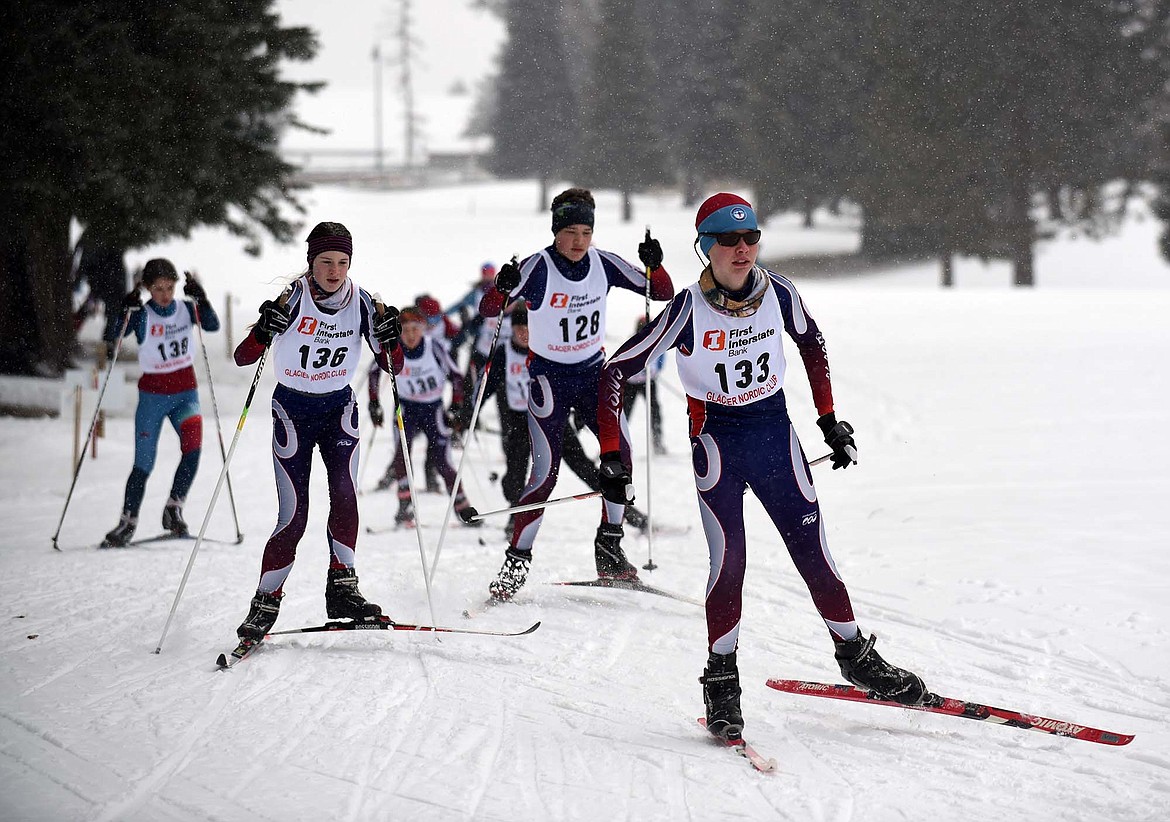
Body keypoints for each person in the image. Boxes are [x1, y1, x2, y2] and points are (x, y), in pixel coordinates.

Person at [597, 193, 927, 741]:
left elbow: (811, 341)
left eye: (751, 238)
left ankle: (855, 656)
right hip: (718, 446)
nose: (742, 249)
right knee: (730, 565)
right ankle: (721, 682)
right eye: (728, 241)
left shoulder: (779, 291)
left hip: (776, 436)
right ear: (705, 248)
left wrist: (828, 420)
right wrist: (612, 452)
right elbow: (614, 372)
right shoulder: (685, 309)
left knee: (814, 553)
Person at [479, 187, 674, 601]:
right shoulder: (537, 267)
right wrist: (502, 286)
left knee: (619, 457)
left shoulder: (603, 263)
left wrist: (654, 265)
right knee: (544, 474)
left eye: (586, 231)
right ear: (555, 232)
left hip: (593, 376)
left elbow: (661, 292)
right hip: (549, 379)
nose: (578, 241)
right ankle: (516, 562)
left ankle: (609, 548)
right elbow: (489, 310)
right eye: (570, 232)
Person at [230, 221, 403, 646]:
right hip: (293, 410)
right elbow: (242, 357)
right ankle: (266, 601)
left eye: (342, 262)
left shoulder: (363, 302)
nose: (334, 270)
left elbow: (394, 367)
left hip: (339, 408)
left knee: (345, 494)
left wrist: (392, 339)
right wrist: (262, 328)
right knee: (295, 513)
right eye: (326, 261)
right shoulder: (293, 299)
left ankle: (342, 587)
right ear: (311, 262)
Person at [468, 304, 652, 536]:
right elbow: (486, 386)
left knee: (582, 465)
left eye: (528, 327)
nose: (524, 333)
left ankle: (623, 508)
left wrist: (578, 413)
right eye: (519, 328)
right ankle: (516, 516)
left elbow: (566, 386)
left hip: (553, 420)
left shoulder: (546, 350)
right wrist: (468, 413)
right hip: (519, 421)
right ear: (512, 329)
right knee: (515, 472)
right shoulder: (504, 352)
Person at [102, 260, 220, 547]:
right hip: (153, 397)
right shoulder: (143, 316)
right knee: (144, 463)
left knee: (193, 451)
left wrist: (201, 298)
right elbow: (112, 336)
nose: (165, 294)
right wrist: (123, 309)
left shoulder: (184, 309)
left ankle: (173, 508)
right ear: (146, 289)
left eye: (170, 287)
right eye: (158, 289)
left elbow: (213, 325)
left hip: (185, 394)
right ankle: (127, 522)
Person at [367, 307, 480, 528]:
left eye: (415, 329)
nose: (410, 335)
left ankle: (462, 507)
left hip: (433, 409)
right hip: (406, 409)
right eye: (406, 330)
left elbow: (456, 376)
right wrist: (374, 403)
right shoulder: (393, 347)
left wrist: (456, 405)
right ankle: (405, 508)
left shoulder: (433, 346)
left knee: (442, 460)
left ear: (423, 329)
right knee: (402, 457)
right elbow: (373, 371)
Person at [621, 315, 667, 455]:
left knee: (655, 411)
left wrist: (653, 371)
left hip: (648, 382)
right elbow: (624, 363)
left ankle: (657, 442)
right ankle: (618, 445)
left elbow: (660, 360)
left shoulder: (656, 342)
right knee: (624, 414)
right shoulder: (631, 342)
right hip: (631, 384)